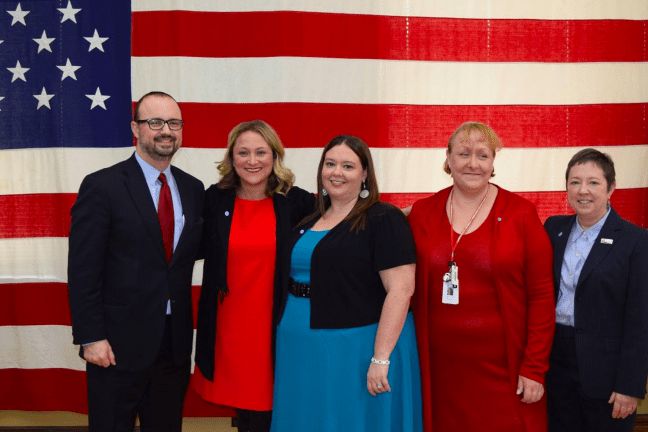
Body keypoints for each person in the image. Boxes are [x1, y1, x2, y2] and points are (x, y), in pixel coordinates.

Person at [67, 91, 204, 432]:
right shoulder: (102, 186)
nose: (165, 131)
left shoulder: (193, 189)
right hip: (115, 347)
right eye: (154, 122)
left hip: (173, 345)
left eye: (174, 123)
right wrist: (90, 337)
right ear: (136, 128)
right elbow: (84, 269)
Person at [407, 121, 555, 432]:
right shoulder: (422, 212)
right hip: (439, 371)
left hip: (506, 371)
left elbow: (542, 297)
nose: (473, 163)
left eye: (483, 155)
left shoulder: (521, 214)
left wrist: (534, 367)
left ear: (493, 163)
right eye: (463, 153)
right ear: (448, 159)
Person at [270, 135, 423, 432]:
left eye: (348, 166)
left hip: (354, 348)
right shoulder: (309, 218)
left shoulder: (384, 219)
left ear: (365, 174)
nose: (336, 172)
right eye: (330, 164)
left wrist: (381, 358)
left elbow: (401, 290)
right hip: (298, 345)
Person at [193, 120, 315, 432]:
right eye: (243, 152)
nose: (252, 160)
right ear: (231, 158)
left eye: (261, 152)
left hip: (275, 322)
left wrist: (397, 218)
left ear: (275, 157)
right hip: (229, 325)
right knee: (246, 411)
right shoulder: (214, 200)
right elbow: (181, 244)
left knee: (272, 408)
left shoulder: (297, 201)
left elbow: (340, 224)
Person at [544, 148, 648, 432]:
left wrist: (630, 386)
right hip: (556, 367)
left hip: (607, 374)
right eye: (575, 182)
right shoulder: (553, 229)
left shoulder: (636, 240)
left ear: (611, 187)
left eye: (593, 182)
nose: (582, 191)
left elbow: (640, 320)